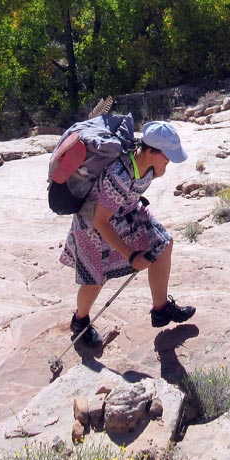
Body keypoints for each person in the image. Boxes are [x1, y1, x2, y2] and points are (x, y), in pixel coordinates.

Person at [59, 120, 196, 346]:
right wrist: (131, 256)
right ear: (151, 150)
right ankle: (79, 320)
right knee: (94, 279)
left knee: (163, 244)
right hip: (92, 225)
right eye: (167, 156)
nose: (169, 161)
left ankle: (160, 309)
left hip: (127, 212)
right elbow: (101, 222)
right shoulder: (119, 176)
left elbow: (134, 192)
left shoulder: (149, 166)